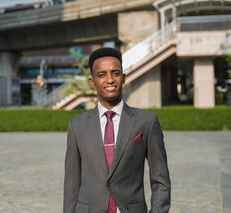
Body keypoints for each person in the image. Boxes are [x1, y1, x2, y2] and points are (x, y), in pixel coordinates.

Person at [63, 47, 171, 213]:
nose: (110, 80)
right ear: (92, 82)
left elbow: (161, 181)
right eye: (102, 75)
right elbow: (71, 182)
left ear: (123, 77)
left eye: (115, 73)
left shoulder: (146, 122)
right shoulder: (77, 125)